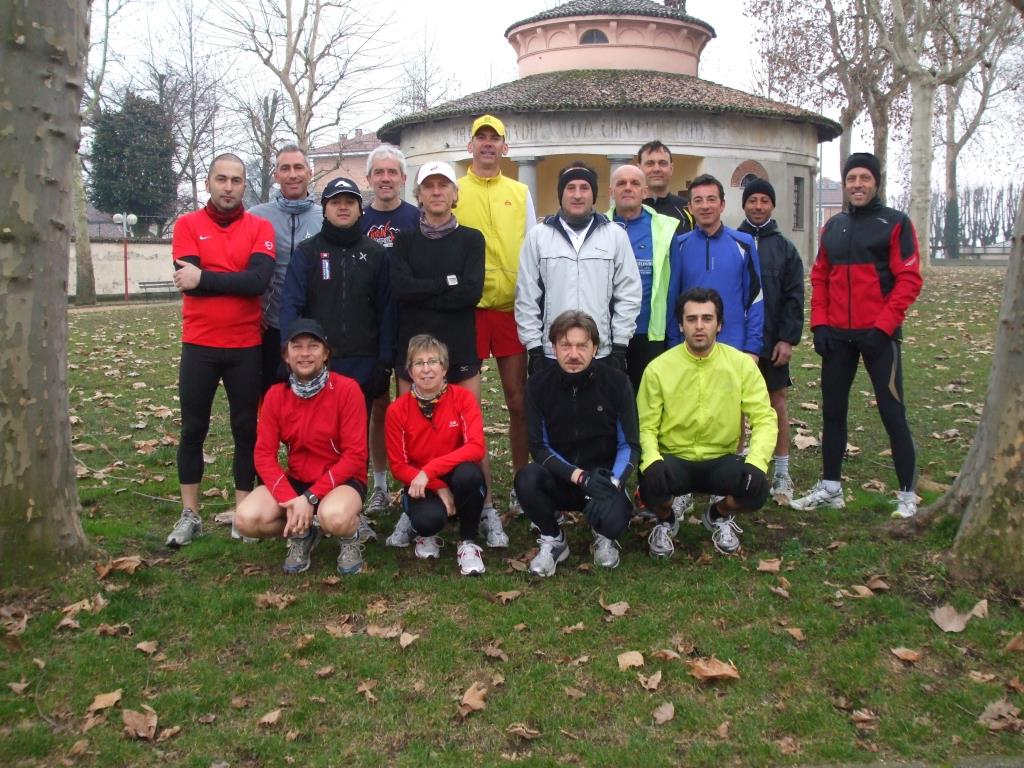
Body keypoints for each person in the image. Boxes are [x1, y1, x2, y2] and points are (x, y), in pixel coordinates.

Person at [791, 152, 923, 519]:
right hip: (837, 336)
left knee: (892, 413)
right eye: (851, 179)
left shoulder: (895, 223)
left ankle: (907, 496)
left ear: (876, 182)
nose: (857, 185)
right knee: (833, 412)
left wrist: (883, 327)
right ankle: (831, 488)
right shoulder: (834, 227)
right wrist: (820, 324)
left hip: (879, 337)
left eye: (865, 178)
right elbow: (821, 276)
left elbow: (909, 279)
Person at [387, 161, 509, 549]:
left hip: (459, 347)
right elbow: (400, 288)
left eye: (444, 185)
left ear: (455, 195)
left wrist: (425, 289)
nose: (437, 192)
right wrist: (445, 285)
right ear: (419, 195)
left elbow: (470, 291)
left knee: (472, 431)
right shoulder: (404, 241)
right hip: (413, 353)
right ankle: (413, 506)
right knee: (411, 433)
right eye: (429, 186)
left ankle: (486, 507)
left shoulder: (471, 239)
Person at [166, 153, 276, 548]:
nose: (228, 187)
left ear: (245, 185)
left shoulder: (260, 227)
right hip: (199, 344)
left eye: (236, 180)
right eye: (221, 179)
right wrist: (229, 279)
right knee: (193, 428)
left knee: (246, 429)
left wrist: (205, 277)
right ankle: (190, 514)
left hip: (246, 346)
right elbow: (188, 282)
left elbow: (258, 282)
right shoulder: (187, 225)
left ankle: (242, 512)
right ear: (208, 183)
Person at [278, 176, 394, 544]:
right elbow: (290, 305)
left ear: (360, 208)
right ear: (324, 208)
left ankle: (350, 512)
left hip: (363, 361)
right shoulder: (308, 253)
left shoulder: (376, 254)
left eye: (350, 201)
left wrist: (384, 362)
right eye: (335, 201)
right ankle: (311, 506)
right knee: (315, 438)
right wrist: (291, 355)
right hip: (318, 364)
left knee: (354, 442)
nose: (343, 207)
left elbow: (388, 311)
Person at [638, 287, 777, 556]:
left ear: (719, 324)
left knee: (757, 489)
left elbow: (764, 418)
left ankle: (717, 514)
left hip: (721, 458)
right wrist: (652, 460)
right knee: (649, 484)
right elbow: (646, 426)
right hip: (675, 458)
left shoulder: (741, 365)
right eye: (691, 319)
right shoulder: (658, 369)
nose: (699, 326)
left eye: (707, 318)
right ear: (681, 325)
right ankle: (666, 520)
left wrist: (757, 462)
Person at [235, 320, 368, 575]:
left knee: (335, 517)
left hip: (341, 481)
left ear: (325, 353)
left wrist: (311, 497)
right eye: (297, 347)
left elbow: (355, 455)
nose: (305, 353)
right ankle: (304, 531)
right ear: (286, 355)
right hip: (297, 481)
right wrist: (292, 500)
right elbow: (263, 455)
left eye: (313, 346)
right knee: (245, 519)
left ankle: (350, 537)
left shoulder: (347, 389)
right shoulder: (275, 395)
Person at [456, 114, 537, 518]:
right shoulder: (455, 190)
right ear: (469, 145)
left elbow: (533, 245)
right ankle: (476, 486)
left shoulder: (520, 192)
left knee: (517, 399)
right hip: (468, 308)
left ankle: (522, 481)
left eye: (494, 138)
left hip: (509, 308)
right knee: (467, 406)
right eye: (481, 137)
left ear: (505, 147)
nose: (487, 144)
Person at [515, 311, 639, 576]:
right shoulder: (537, 385)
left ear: (595, 348)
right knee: (526, 479)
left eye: (582, 346)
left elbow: (629, 445)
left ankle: (604, 536)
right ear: (553, 348)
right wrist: (580, 477)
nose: (573, 354)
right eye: (566, 345)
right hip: (563, 478)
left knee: (615, 523)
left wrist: (614, 483)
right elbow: (538, 446)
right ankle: (554, 538)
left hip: (603, 480)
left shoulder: (617, 382)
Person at [516, 161, 642, 374]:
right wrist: (534, 347)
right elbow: (526, 296)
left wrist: (620, 345)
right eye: (570, 188)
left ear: (594, 195)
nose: (577, 195)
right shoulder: (538, 236)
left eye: (584, 188)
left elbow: (629, 293)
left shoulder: (615, 235)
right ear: (561, 194)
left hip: (600, 351)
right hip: (553, 352)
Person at [384, 335, 489, 576]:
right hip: (422, 484)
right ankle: (425, 533)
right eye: (419, 363)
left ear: (444, 368)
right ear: (410, 371)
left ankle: (468, 542)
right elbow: (398, 466)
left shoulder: (462, 398)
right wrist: (438, 486)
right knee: (427, 521)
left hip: (452, 476)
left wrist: (430, 470)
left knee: (469, 475)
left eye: (433, 361)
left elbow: (476, 447)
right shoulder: (397, 410)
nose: (426, 369)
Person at [360, 145, 422, 519]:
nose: (385, 178)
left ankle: (415, 483)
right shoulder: (357, 218)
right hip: (370, 325)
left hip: (411, 324)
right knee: (378, 406)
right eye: (379, 172)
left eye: (392, 172)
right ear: (369, 178)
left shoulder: (416, 218)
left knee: (412, 406)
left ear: (403, 178)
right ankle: (380, 485)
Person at [737, 178, 804, 505]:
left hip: (772, 341)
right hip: (738, 342)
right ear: (744, 205)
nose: (758, 206)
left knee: (776, 402)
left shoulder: (785, 248)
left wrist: (787, 339)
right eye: (753, 200)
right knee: (735, 406)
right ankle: (736, 466)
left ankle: (781, 470)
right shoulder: (733, 242)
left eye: (764, 200)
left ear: (772, 205)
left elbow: (794, 297)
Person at [665, 174, 764, 360]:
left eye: (711, 199)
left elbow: (755, 298)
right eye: (698, 200)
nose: (705, 206)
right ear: (690, 207)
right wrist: (673, 344)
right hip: (689, 348)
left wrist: (752, 347)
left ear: (722, 204)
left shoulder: (744, 244)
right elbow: (672, 300)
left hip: (733, 347)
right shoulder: (678, 246)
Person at [249, 144, 322, 394]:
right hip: (270, 325)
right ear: (275, 175)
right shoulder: (256, 217)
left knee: (314, 399)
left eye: (298, 167)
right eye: (285, 168)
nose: (293, 175)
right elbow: (243, 267)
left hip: (315, 325)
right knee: (271, 395)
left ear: (309, 172)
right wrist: (253, 309)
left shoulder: (326, 216)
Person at [637, 140, 694, 235]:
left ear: (671, 169)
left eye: (662, 163)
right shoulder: (629, 209)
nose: (656, 169)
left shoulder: (688, 210)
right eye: (650, 163)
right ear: (639, 169)